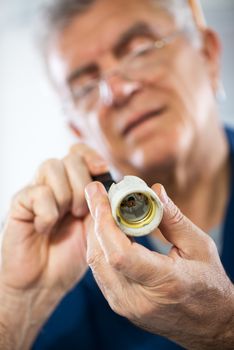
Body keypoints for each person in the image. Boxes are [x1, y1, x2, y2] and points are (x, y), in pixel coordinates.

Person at [0, 0, 233, 349]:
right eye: (86, 86)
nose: (118, 91)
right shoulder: (67, 256)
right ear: (77, 129)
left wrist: (224, 329)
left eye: (139, 50)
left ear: (208, 55)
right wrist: (18, 305)